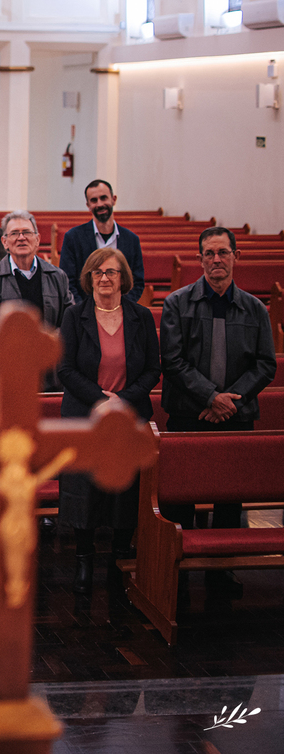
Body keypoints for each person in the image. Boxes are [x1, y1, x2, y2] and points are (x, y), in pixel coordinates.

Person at [159, 226, 277, 598]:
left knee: (230, 495)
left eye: (223, 252)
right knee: (181, 496)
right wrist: (211, 397)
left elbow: (265, 364)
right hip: (187, 413)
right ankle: (174, 568)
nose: (216, 260)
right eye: (208, 253)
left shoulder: (255, 308)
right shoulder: (178, 302)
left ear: (236, 256)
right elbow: (173, 361)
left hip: (235, 417)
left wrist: (231, 399)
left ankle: (221, 569)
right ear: (200, 259)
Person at [56, 249, 161, 594]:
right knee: (84, 488)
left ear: (123, 278)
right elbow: (65, 370)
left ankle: (119, 555)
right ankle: (84, 557)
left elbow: (152, 370)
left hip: (128, 416)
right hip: (86, 414)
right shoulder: (74, 316)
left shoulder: (140, 316)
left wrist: (123, 400)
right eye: (98, 272)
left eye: (112, 272)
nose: (104, 278)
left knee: (124, 490)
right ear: (88, 277)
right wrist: (102, 400)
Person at [57, 179, 146, 305]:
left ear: (113, 199)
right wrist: (83, 311)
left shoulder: (131, 240)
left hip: (121, 311)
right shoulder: (73, 238)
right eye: (94, 200)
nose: (99, 204)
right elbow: (67, 282)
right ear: (88, 205)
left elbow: (137, 282)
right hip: (84, 312)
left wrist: (121, 308)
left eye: (104, 198)